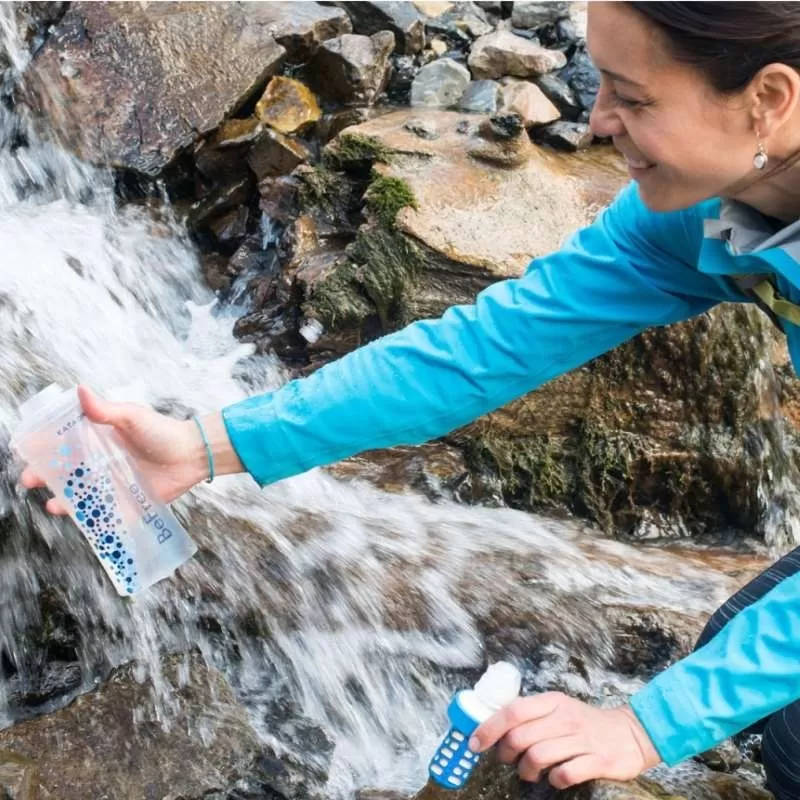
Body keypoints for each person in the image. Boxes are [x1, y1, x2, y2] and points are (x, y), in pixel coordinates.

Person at [18, 2, 800, 797]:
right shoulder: (696, 214)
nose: (598, 123)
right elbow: (482, 350)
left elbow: (663, 719)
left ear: (769, 99)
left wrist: (643, 726)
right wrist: (209, 446)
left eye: (634, 99)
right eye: (598, 83)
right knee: (738, 654)